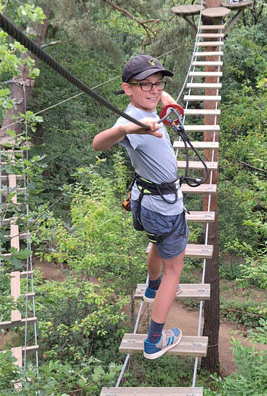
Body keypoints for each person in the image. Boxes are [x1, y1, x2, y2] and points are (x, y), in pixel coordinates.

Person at [93, 55, 188, 360]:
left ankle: (151, 288)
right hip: (164, 207)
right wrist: (130, 131)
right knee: (175, 271)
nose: (153, 89)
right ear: (126, 88)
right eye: (144, 84)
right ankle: (154, 342)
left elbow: (161, 98)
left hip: (146, 202)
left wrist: (166, 102)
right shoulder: (130, 121)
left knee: (156, 243)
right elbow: (99, 142)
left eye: (158, 83)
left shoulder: (148, 105)